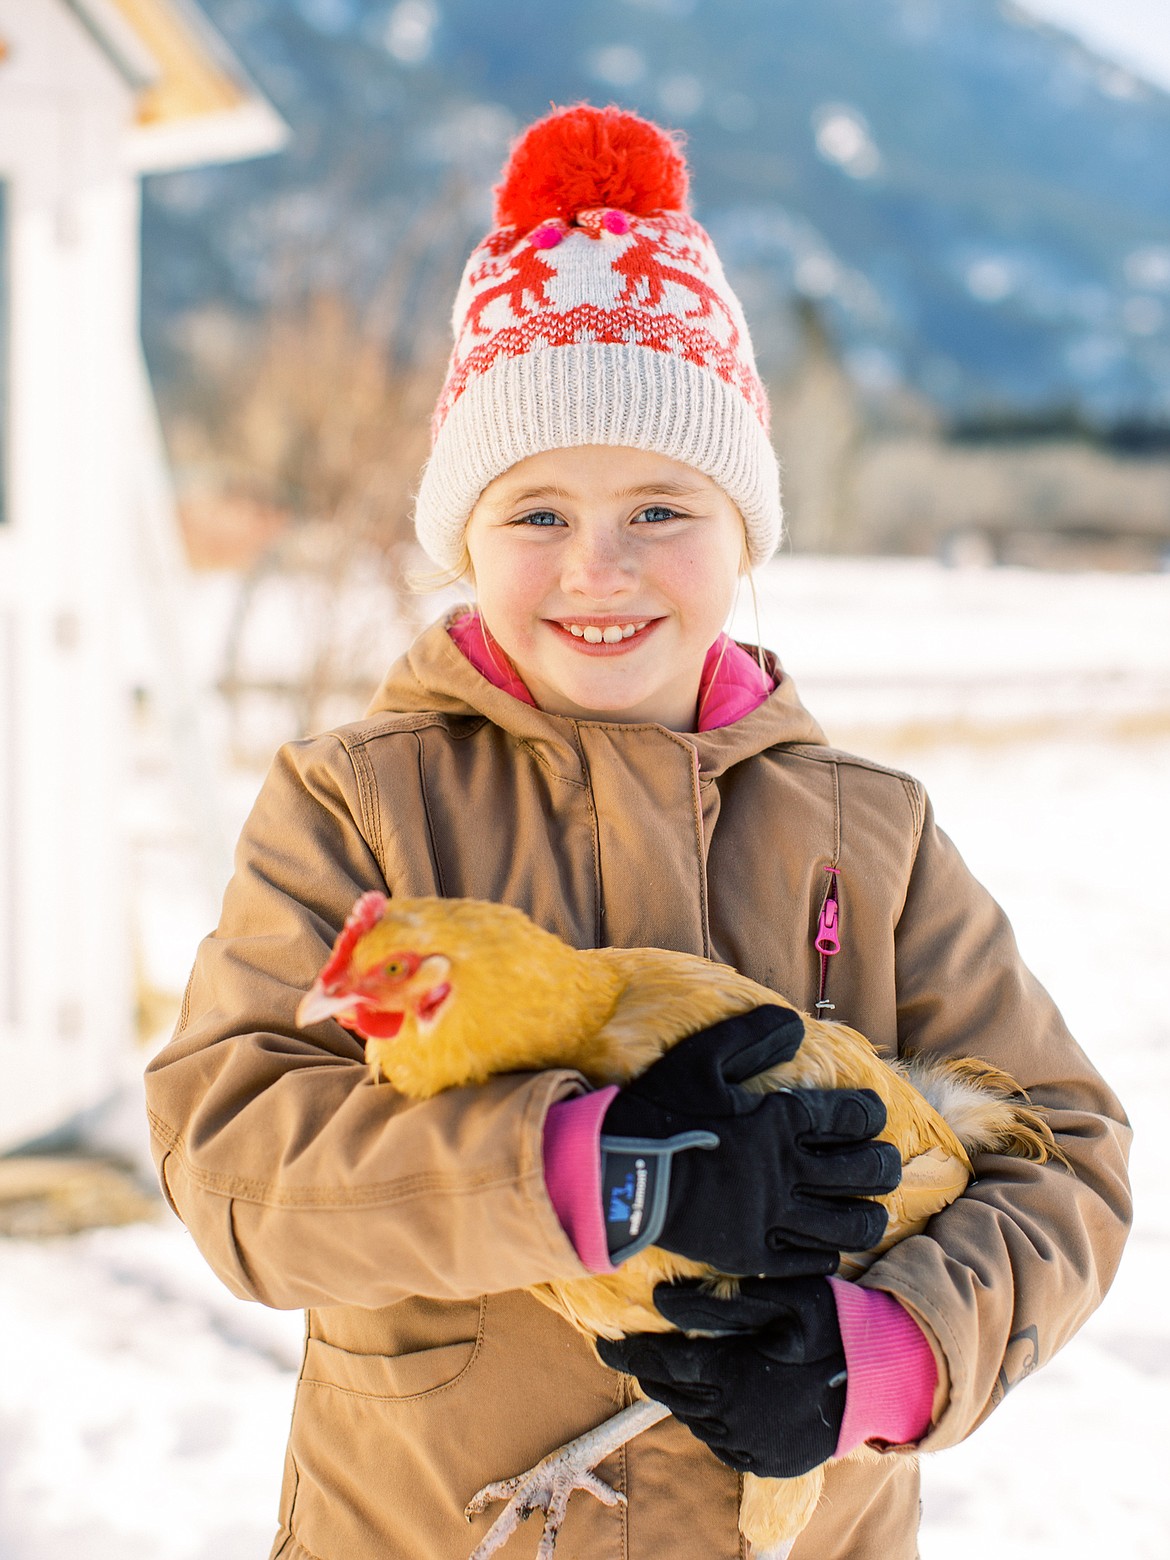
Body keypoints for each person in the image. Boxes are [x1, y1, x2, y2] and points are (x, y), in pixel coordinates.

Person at [145, 105, 1131, 1560]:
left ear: (745, 533)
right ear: (460, 538)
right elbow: (233, 1168)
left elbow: (1068, 1162)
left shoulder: (872, 830)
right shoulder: (358, 804)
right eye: (534, 511)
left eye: (661, 506)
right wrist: (590, 1172)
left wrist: (884, 1350)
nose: (596, 569)